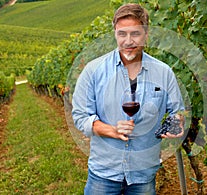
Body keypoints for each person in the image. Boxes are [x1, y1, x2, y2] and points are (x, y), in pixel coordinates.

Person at [72, 3, 184, 195]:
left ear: (146, 34)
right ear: (115, 33)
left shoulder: (163, 73)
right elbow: (81, 116)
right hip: (104, 173)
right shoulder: (93, 71)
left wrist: (176, 123)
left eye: (136, 33)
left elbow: (178, 111)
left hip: (143, 173)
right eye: (122, 33)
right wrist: (112, 131)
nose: (128, 41)